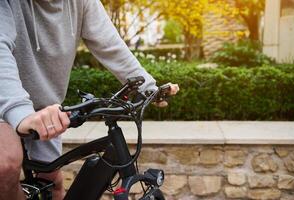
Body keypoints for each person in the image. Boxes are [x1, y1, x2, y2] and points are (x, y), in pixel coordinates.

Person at [0, 0, 179, 199]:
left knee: (52, 182)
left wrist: (148, 88)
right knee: (5, 167)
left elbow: (110, 44)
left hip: (47, 109)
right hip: (5, 100)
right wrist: (20, 112)